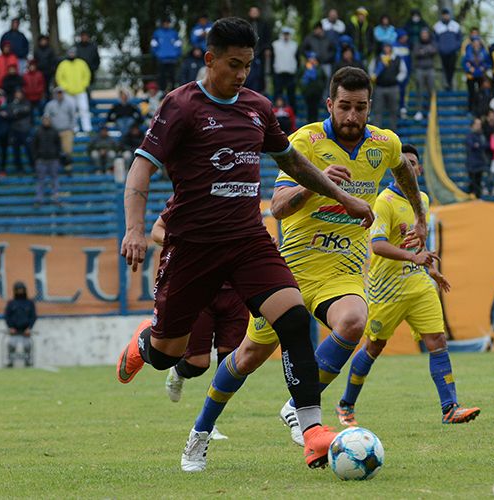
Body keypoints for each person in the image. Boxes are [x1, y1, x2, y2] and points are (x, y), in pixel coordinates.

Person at [114, 18, 374, 471]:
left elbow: (293, 162)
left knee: (293, 319)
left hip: (248, 241)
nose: (241, 74)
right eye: (233, 64)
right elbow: (141, 168)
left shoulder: (257, 107)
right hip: (193, 247)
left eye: (248, 65)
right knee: (169, 354)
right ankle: (144, 342)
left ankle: (312, 431)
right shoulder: (181, 105)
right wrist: (135, 230)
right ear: (210, 59)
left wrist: (344, 197)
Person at [230, 66, 426, 449]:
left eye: (360, 107)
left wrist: (420, 215)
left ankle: (298, 406)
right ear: (329, 104)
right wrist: (318, 183)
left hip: (341, 272)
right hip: (290, 269)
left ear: (369, 107)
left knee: (354, 322)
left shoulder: (384, 143)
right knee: (248, 354)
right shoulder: (305, 141)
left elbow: (404, 170)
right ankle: (200, 428)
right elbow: (278, 209)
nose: (352, 115)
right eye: (345, 106)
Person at [336, 143, 481, 426]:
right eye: (404, 164)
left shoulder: (422, 200)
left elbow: (419, 243)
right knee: (374, 346)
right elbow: (377, 246)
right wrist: (414, 258)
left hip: (418, 284)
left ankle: (450, 407)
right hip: (386, 289)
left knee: (437, 340)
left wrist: (431, 269)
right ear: (395, 170)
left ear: (419, 169)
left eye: (413, 163)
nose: (409, 168)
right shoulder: (384, 202)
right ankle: (346, 404)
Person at [149, 202, 249, 413]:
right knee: (197, 364)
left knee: (233, 364)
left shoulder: (242, 193)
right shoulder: (190, 194)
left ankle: (208, 419)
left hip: (235, 291)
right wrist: (184, 245)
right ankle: (179, 371)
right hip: (199, 288)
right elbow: (157, 230)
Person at [369, 43, 406, 131]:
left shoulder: (397, 59)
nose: (387, 49)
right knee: (377, 110)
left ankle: (393, 131)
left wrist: (396, 79)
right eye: (385, 47)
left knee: (394, 110)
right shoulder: (377, 58)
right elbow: (371, 70)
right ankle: (376, 131)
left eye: (388, 47)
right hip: (380, 87)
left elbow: (403, 71)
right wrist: (373, 77)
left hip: (393, 87)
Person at [55, 48, 92, 132]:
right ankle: (74, 128)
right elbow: (59, 77)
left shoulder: (81, 63)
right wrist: (65, 87)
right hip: (68, 93)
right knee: (72, 111)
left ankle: (87, 129)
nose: (72, 54)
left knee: (84, 109)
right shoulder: (63, 64)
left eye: (73, 53)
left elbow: (87, 75)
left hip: (81, 92)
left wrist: (83, 85)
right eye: (70, 53)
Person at [43, 87, 76, 173]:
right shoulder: (50, 105)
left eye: (61, 93)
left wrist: (72, 128)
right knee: (53, 150)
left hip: (66, 130)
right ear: (55, 94)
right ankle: (54, 168)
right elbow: (46, 117)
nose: (59, 95)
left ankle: (68, 168)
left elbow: (73, 117)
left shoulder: (69, 104)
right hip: (54, 131)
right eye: (58, 93)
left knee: (67, 150)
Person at [4, 281, 36, 368]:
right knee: (11, 344)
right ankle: (10, 362)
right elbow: (7, 316)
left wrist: (29, 328)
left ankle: (27, 361)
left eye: (21, 289)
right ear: (15, 291)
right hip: (14, 331)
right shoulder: (11, 303)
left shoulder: (30, 303)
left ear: (24, 290)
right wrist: (10, 327)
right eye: (18, 290)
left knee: (27, 345)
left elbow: (33, 316)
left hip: (25, 331)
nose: (20, 291)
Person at [32, 115, 62, 204]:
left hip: (53, 159)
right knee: (40, 180)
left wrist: (57, 156)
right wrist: (36, 157)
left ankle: (56, 197)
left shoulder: (55, 131)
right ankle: (39, 199)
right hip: (41, 160)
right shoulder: (38, 132)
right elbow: (34, 146)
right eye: (45, 120)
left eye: (47, 120)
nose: (46, 122)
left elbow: (58, 145)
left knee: (54, 179)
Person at [433, 8, 462, 90]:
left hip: (453, 51)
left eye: (447, 15)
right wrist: (439, 48)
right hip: (443, 52)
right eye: (444, 15)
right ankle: (447, 83)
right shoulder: (437, 26)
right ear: (442, 16)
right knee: (445, 68)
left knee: (451, 67)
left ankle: (449, 83)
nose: (446, 16)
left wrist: (456, 47)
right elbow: (434, 39)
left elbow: (460, 38)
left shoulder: (455, 25)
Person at [151, 18, 183, 92]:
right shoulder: (157, 33)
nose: (166, 24)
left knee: (173, 76)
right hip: (161, 59)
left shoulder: (174, 33)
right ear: (162, 24)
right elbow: (153, 45)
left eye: (168, 23)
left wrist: (176, 54)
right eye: (165, 22)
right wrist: (157, 54)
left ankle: (174, 91)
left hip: (172, 59)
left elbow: (178, 45)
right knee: (161, 76)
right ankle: (162, 91)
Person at [411, 28, 437, 121]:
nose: (424, 35)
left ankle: (431, 111)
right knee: (419, 91)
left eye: (426, 33)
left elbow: (434, 51)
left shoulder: (432, 42)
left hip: (430, 69)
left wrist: (423, 51)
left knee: (431, 91)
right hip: (420, 69)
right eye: (423, 33)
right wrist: (427, 51)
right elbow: (416, 53)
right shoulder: (417, 43)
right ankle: (419, 111)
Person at [6, 88, 33, 174]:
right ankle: (19, 168)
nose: (18, 95)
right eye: (16, 93)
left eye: (19, 93)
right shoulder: (11, 104)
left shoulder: (27, 103)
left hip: (25, 130)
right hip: (15, 130)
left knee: (29, 149)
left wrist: (17, 113)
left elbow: (27, 111)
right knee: (16, 151)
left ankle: (33, 166)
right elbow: (10, 115)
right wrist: (19, 113)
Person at [272, 27, 298, 107]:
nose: (286, 36)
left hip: (290, 73)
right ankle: (276, 111)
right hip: (278, 72)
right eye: (284, 34)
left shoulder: (294, 45)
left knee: (291, 94)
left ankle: (292, 112)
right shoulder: (275, 44)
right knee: (277, 93)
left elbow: (297, 59)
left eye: (287, 34)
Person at [299, 52, 327, 123]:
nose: (312, 60)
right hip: (307, 92)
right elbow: (299, 78)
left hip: (317, 92)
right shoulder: (304, 68)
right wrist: (302, 88)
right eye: (311, 58)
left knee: (315, 109)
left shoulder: (319, 68)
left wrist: (321, 87)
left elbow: (324, 78)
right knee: (309, 109)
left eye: (314, 59)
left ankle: (315, 122)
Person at [465, 118, 489, 198]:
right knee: (473, 182)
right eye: (477, 124)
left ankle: (477, 197)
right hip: (472, 163)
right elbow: (472, 145)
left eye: (480, 124)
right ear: (472, 125)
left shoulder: (482, 135)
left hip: (480, 162)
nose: (479, 126)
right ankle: (472, 196)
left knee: (478, 181)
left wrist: (478, 145)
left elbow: (486, 145)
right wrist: (478, 145)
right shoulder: (469, 135)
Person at [33, 35, 57, 100]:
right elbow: (35, 61)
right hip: (40, 73)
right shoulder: (36, 51)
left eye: (44, 40)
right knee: (41, 88)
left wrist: (52, 70)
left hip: (49, 73)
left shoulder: (50, 50)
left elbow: (53, 61)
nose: (43, 42)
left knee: (50, 88)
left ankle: (51, 100)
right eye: (41, 40)